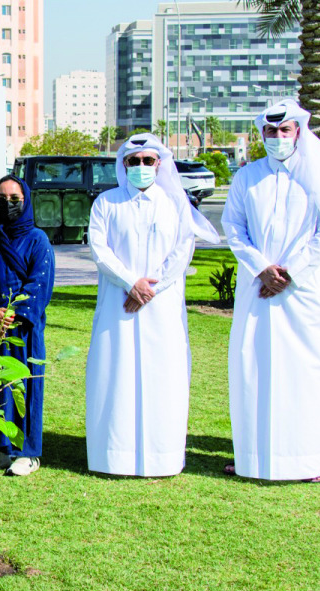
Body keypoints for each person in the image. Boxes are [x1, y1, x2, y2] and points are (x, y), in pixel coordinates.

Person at [222, 98, 320, 483]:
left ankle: (307, 461)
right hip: (257, 289)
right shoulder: (248, 177)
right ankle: (253, 458)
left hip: (305, 292)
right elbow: (234, 227)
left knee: (306, 374)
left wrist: (290, 273)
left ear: (299, 131)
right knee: (253, 369)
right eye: (270, 131)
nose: (277, 137)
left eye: (285, 130)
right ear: (262, 134)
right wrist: (263, 269)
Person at [85, 134, 219, 477]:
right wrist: (131, 283)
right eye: (134, 161)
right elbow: (100, 250)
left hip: (162, 307)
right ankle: (113, 457)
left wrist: (148, 288)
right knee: (116, 375)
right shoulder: (106, 202)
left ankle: (163, 457)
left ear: (160, 163)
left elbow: (182, 251)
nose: (141, 167)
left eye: (148, 161)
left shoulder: (175, 204)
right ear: (123, 165)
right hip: (119, 304)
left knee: (164, 377)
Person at [0, 175, 55, 477]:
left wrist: (12, 316)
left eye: (14, 199)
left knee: (23, 389)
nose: (8, 204)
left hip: (23, 331)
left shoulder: (38, 241)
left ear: (26, 200)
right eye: (1, 199)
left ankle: (26, 453)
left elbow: (39, 285)